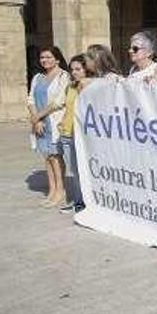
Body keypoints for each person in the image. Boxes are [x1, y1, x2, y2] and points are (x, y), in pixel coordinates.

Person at [27, 46, 70, 208]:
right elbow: (30, 99)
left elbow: (58, 102)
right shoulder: (38, 77)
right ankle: (52, 189)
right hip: (39, 122)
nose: (44, 60)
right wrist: (36, 120)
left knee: (55, 156)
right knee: (46, 156)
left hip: (53, 120)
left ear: (57, 59)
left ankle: (60, 190)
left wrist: (38, 116)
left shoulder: (63, 76)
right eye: (42, 58)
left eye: (48, 57)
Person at [57, 55, 90, 214]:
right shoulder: (70, 86)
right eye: (72, 69)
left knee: (85, 170)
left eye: (78, 69)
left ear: (87, 69)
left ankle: (87, 201)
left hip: (82, 136)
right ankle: (78, 201)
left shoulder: (90, 87)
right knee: (74, 171)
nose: (75, 72)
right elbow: (67, 107)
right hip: (66, 132)